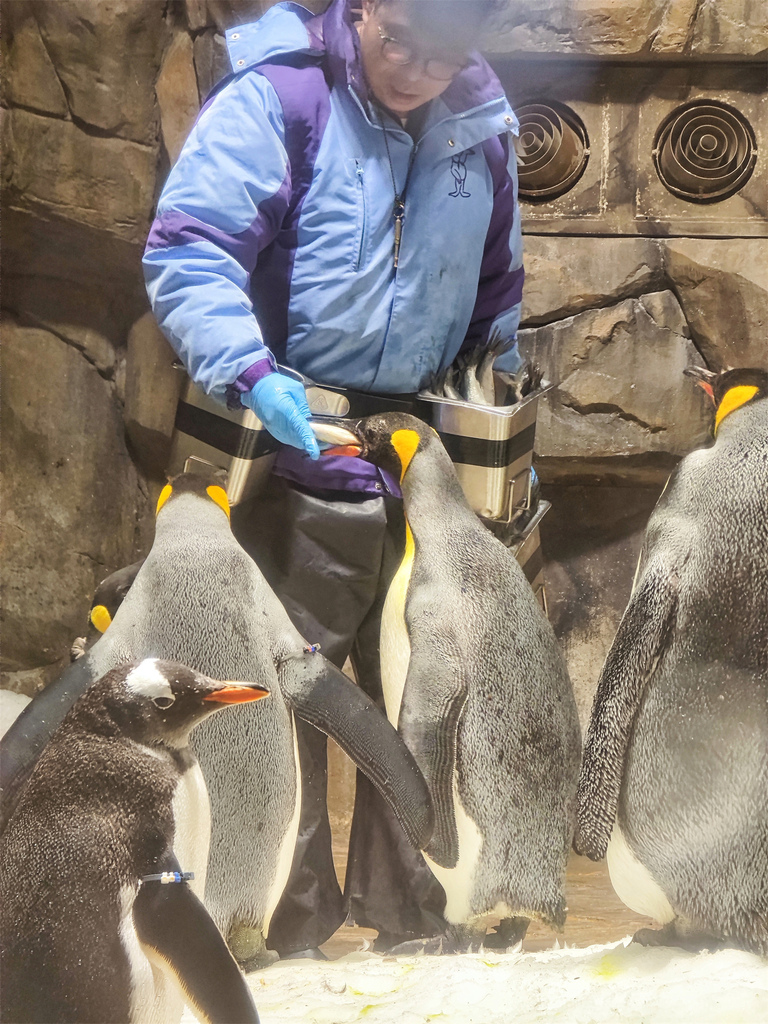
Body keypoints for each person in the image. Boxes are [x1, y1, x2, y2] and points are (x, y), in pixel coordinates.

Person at [143, 0, 524, 959]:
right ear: (365, 7)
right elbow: (190, 248)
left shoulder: (482, 124)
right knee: (282, 688)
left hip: (420, 453)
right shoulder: (284, 98)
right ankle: (284, 916)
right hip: (284, 437)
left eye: (446, 55)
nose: (418, 73)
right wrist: (254, 376)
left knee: (420, 686)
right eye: (401, 42)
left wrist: (491, 415)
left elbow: (496, 291)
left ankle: (413, 912)